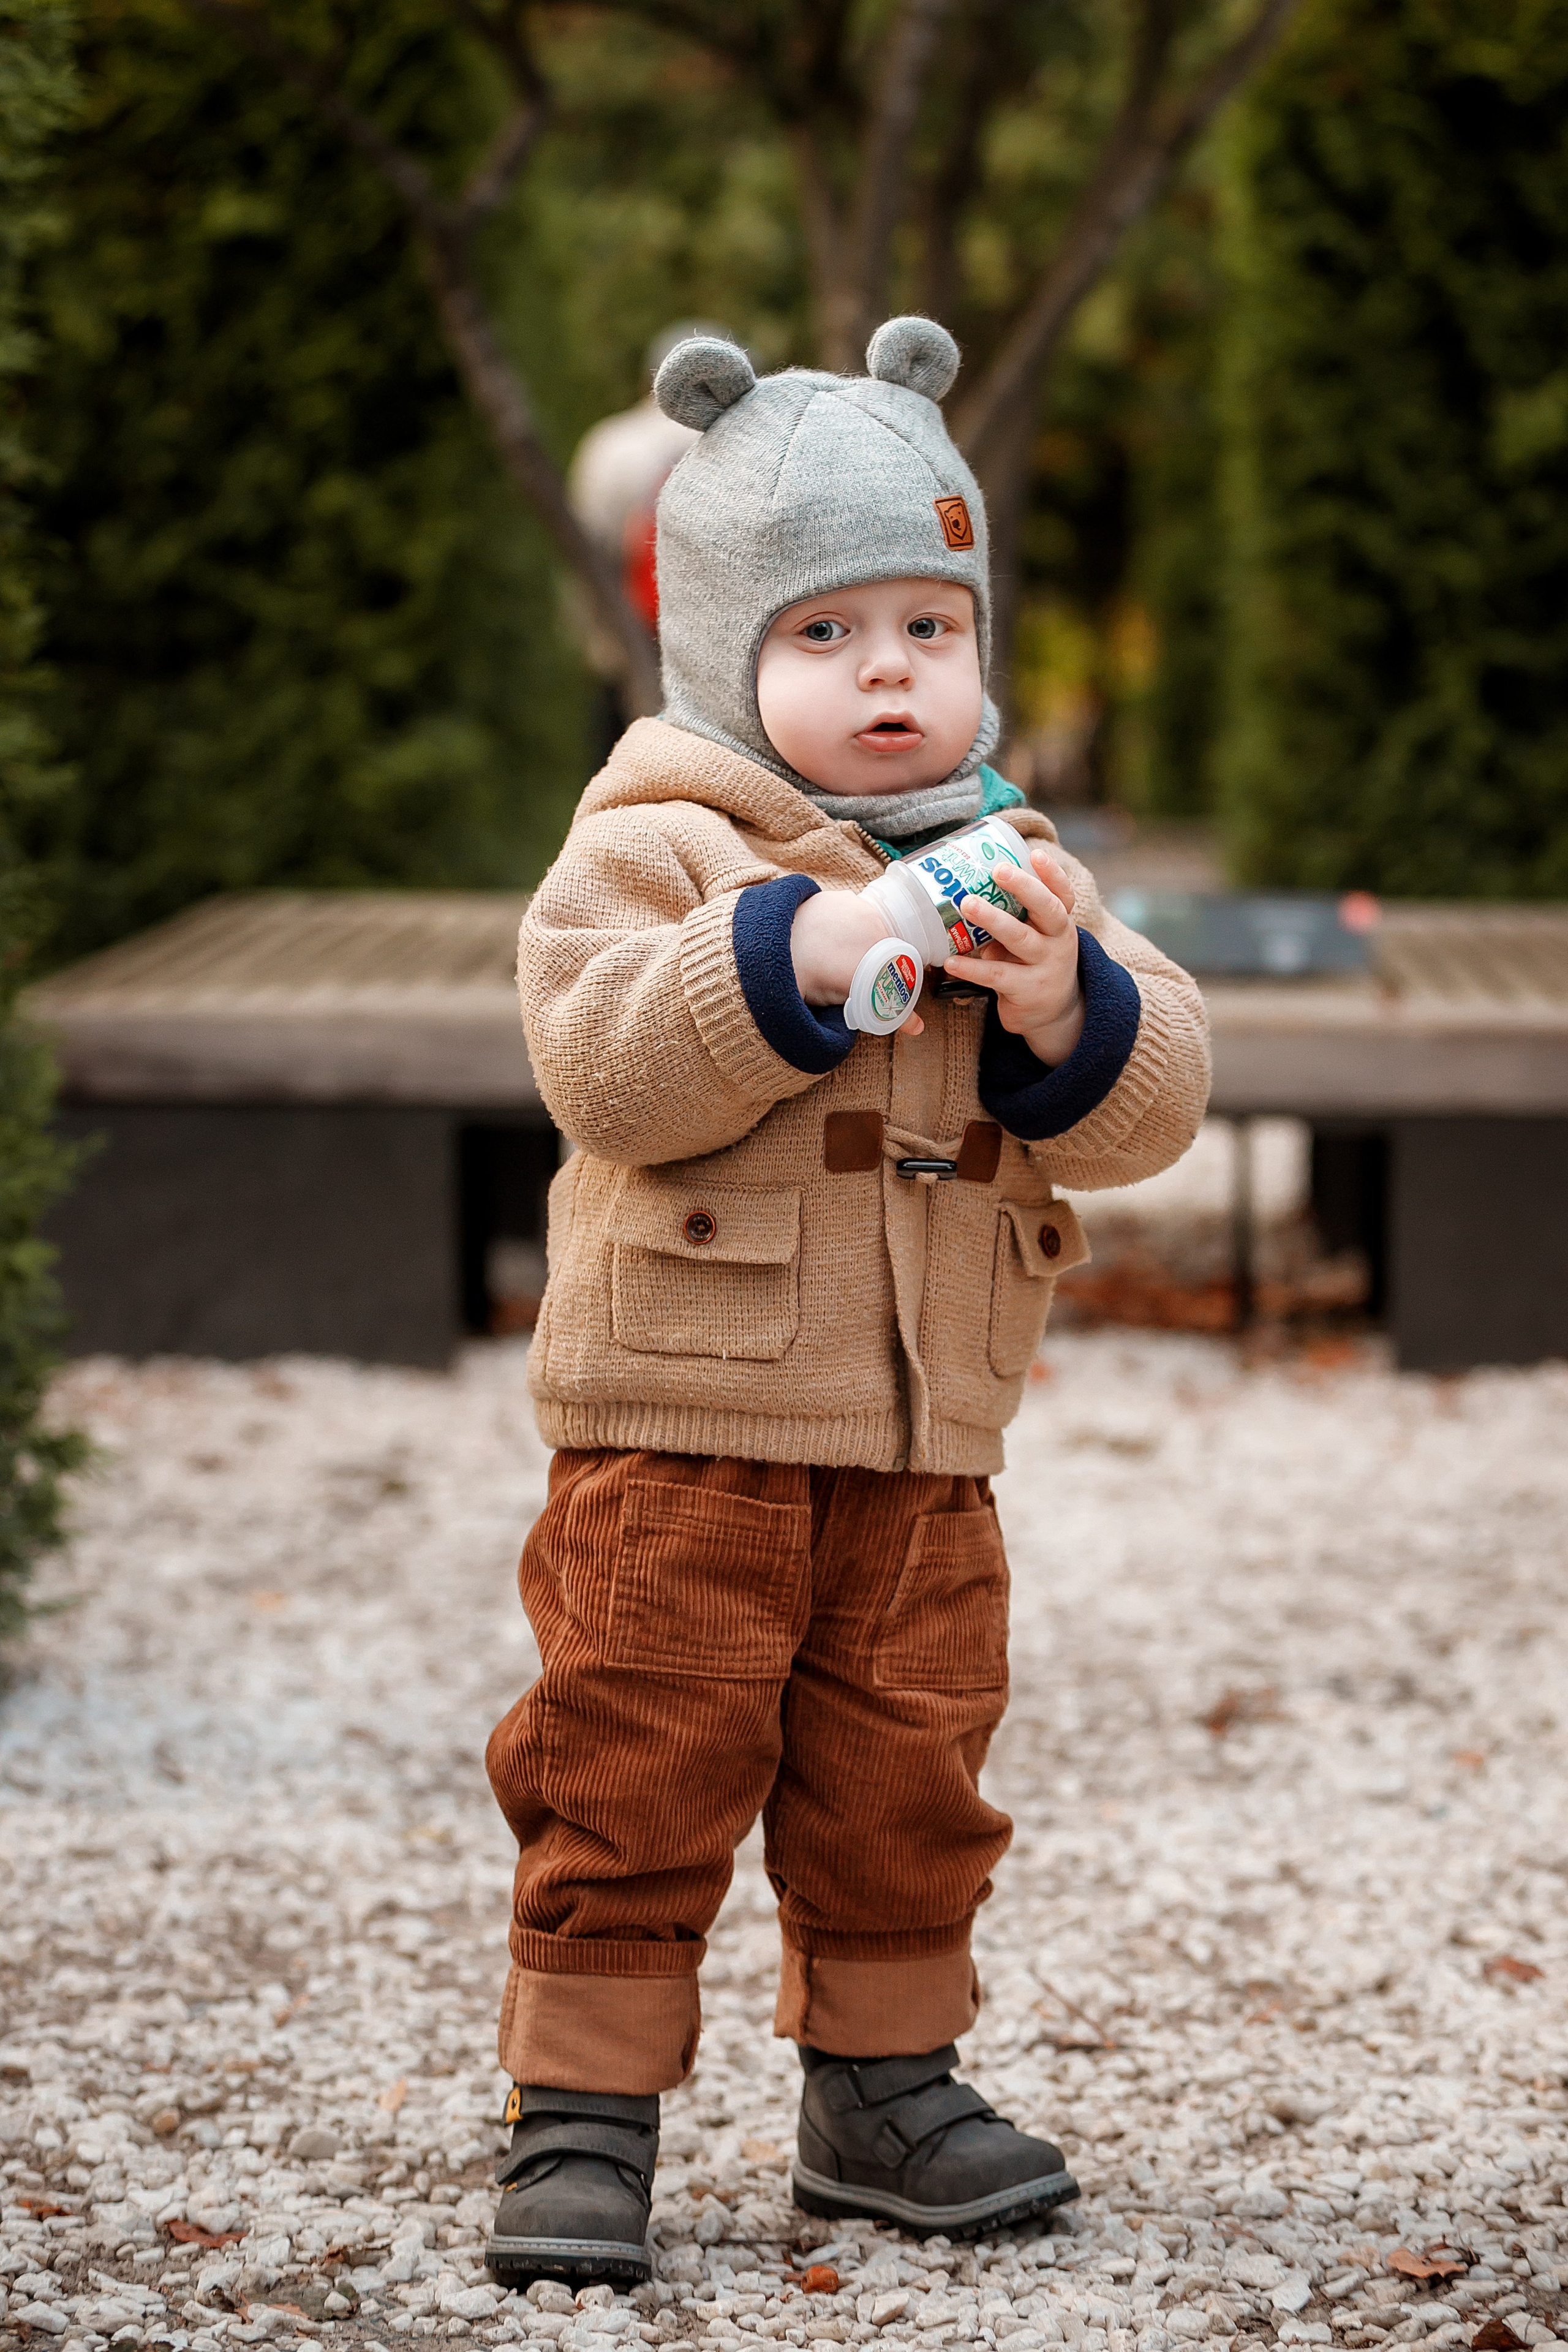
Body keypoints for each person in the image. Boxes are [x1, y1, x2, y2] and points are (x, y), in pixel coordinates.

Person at [484, 317, 1212, 2285]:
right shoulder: (653, 840)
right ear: (726, 656)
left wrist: (1066, 999)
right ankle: (583, 2101)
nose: (887, 668)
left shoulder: (1019, 858)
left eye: (925, 624)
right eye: (824, 635)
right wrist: (803, 947)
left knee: (910, 1766)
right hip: (681, 1421)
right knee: (631, 1748)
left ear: (975, 645)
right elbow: (606, 1064)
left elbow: (1156, 1110)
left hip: (921, 1436)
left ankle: (883, 2087)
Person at [565, 321, 731, 767]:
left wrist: (600, 648)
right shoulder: (743, 441)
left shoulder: (609, 445)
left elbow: (589, 553)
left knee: (625, 768)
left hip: (637, 632)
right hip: (724, 649)